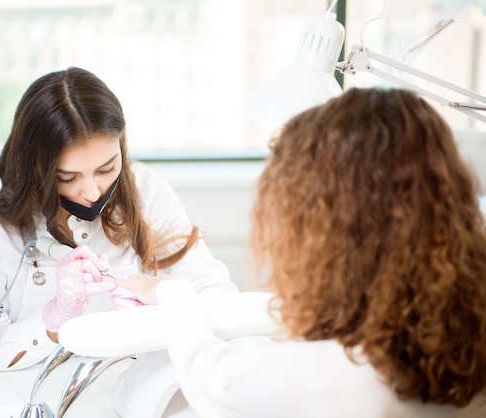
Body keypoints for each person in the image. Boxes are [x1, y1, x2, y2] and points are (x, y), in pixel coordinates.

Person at [118, 88, 486, 417]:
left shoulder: (334, 372)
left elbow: (209, 378)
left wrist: (173, 292)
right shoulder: (468, 332)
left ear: (324, 230)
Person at [0, 66, 238, 375]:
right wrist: (52, 322)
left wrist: (168, 303)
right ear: (34, 166)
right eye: (68, 177)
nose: (92, 191)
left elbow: (219, 296)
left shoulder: (146, 191)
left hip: (133, 386)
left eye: (106, 169)